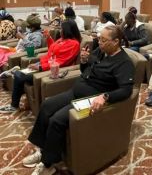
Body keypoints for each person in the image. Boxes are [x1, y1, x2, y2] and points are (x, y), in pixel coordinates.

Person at [20, 25, 134, 175]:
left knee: (56, 120)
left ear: (116, 42)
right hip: (76, 91)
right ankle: (43, 151)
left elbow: (126, 91)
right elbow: (85, 71)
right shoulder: (101, 51)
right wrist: (85, 61)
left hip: (91, 99)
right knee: (47, 105)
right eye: (99, 38)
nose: (99, 42)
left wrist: (105, 96)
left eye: (103, 40)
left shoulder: (124, 63)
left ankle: (48, 164)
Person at [0, 20, 81, 113]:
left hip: (51, 69)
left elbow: (61, 62)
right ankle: (23, 98)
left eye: (62, 29)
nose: (60, 31)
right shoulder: (62, 39)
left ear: (67, 30)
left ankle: (14, 105)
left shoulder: (73, 44)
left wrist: (40, 67)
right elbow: (52, 51)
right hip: (43, 64)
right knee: (20, 74)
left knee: (19, 75)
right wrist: (49, 38)